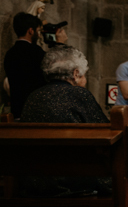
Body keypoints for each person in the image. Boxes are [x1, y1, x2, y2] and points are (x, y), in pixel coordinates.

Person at [19, 46, 111, 197]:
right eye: (84, 76)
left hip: (35, 182)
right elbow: (106, 132)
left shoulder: (33, 96)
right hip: (72, 182)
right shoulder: (80, 95)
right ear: (75, 74)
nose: (85, 81)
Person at [4, 12, 45, 119]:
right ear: (31, 31)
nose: (39, 34)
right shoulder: (36, 52)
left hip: (17, 111)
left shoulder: (10, 53)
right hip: (35, 111)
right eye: (38, 31)